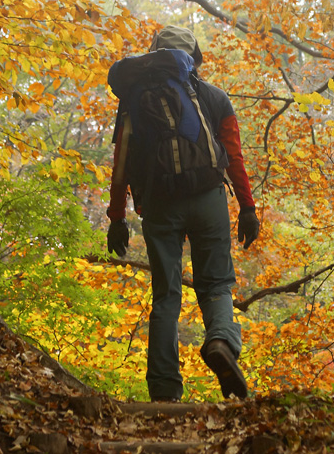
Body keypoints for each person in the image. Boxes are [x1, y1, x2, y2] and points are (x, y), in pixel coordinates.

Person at [105, 25, 260, 402]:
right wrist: (247, 207)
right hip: (208, 198)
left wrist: (116, 217)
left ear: (154, 54)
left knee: (166, 296)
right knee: (217, 284)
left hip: (159, 204)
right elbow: (234, 157)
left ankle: (163, 390)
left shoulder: (135, 98)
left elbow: (121, 162)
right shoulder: (215, 97)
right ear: (195, 57)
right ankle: (221, 341)